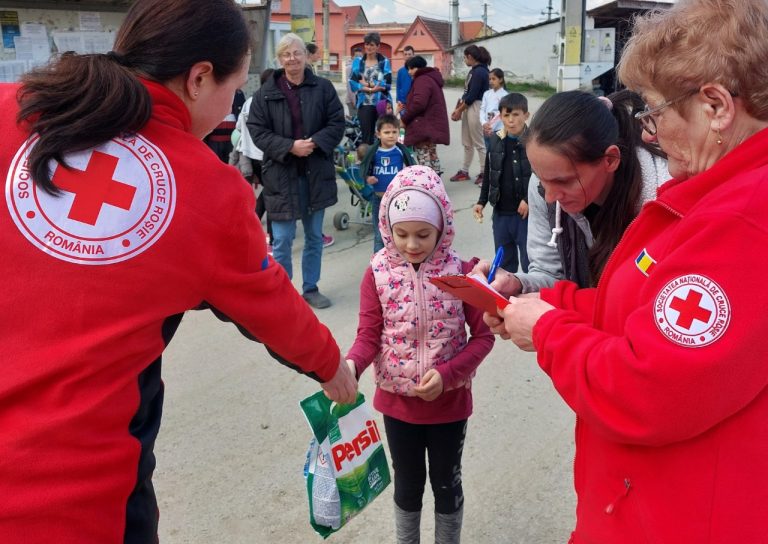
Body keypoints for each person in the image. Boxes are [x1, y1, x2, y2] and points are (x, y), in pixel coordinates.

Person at [0, 1, 357, 543]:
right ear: (198, 79)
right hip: (76, 505)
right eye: (233, 88)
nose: (233, 103)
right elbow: (271, 306)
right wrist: (333, 369)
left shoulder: (13, 106)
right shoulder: (204, 189)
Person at [486, 1, 768, 542]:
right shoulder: (716, 198)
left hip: (678, 518)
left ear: (715, 106)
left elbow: (647, 388)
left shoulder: (741, 223)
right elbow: (637, 307)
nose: (653, 132)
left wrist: (545, 331)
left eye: (657, 112)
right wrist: (547, 306)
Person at [345, 165, 494, 544]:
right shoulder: (376, 274)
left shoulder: (463, 274)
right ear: (387, 228)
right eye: (401, 234)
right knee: (407, 485)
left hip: (450, 404)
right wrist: (350, 366)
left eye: (423, 234)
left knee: (447, 483)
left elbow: (482, 337)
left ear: (443, 226)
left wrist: (448, 374)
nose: (412, 244)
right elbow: (368, 335)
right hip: (399, 406)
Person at [474, 89, 669, 295]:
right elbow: (551, 273)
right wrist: (516, 284)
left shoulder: (665, 203)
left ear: (610, 159)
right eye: (541, 178)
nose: (549, 197)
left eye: (563, 181)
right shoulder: (541, 187)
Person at [248, 33, 345, 309]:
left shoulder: (323, 88)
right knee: (282, 239)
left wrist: (314, 143)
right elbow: (257, 131)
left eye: (297, 53)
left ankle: (311, 288)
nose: (292, 59)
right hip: (281, 175)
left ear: (306, 56)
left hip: (316, 173)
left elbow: (337, 122)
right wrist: (290, 146)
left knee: (314, 237)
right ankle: (282, 292)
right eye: (286, 54)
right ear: (280, 59)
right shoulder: (266, 92)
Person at [472, 93, 532, 274]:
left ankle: (533, 298)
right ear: (501, 117)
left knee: (530, 261)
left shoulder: (534, 141)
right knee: (505, 264)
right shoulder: (495, 140)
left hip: (525, 216)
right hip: (500, 213)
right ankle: (508, 299)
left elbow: (542, 177)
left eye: (516, 115)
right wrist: (481, 201)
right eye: (506, 115)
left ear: (526, 115)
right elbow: (489, 174)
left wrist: (527, 199)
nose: (511, 120)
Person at [230, 69, 273, 252]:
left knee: (263, 196)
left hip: (249, 155)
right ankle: (270, 238)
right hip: (265, 155)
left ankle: (252, 228)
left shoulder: (248, 102)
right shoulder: (268, 103)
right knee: (272, 198)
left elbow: (238, 129)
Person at [359, 114, 416, 252]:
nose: (391, 135)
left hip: (398, 200)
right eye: (386, 132)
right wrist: (368, 178)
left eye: (394, 132)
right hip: (378, 199)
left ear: (398, 132)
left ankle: (397, 260)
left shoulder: (401, 151)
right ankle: (378, 265)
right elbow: (365, 168)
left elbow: (412, 169)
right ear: (378, 134)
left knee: (398, 231)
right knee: (379, 234)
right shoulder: (373, 152)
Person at [400, 55, 450, 176]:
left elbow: (419, 103)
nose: (409, 72)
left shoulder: (421, 80)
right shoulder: (430, 78)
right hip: (430, 125)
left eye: (411, 68)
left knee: (424, 156)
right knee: (432, 154)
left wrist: (404, 119)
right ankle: (436, 182)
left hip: (423, 125)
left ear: (418, 68)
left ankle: (427, 183)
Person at [449, 45, 490, 184]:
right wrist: (459, 108)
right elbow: (467, 94)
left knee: (479, 142)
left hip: (476, 106)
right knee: (467, 142)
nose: (464, 60)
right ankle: (465, 171)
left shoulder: (480, 72)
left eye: (465, 57)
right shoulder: (474, 71)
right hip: (468, 106)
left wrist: (460, 110)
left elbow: (472, 96)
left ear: (470, 57)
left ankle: (485, 172)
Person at [350, 32, 392, 145]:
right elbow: (353, 82)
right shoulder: (358, 62)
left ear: (378, 46)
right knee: (366, 137)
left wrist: (367, 85)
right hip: (364, 104)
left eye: (372, 45)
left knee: (384, 135)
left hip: (382, 103)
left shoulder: (384, 61)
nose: (369, 47)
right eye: (367, 44)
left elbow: (387, 83)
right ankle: (368, 161)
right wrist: (373, 87)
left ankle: (383, 160)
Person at [203, 87, 245, 162]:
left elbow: (242, 114)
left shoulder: (238, 93)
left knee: (232, 165)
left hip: (233, 141)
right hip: (213, 141)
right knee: (214, 165)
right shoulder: (209, 91)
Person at [479, 68, 508, 154]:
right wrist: (484, 123)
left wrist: (491, 126)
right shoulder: (486, 94)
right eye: (490, 79)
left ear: (501, 79)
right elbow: (482, 110)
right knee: (489, 152)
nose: (491, 81)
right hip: (487, 128)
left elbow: (502, 114)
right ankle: (490, 167)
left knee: (499, 152)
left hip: (500, 129)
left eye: (494, 79)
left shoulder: (505, 95)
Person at [396, 45, 415, 114]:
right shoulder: (400, 71)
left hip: (414, 102)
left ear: (413, 55)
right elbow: (398, 86)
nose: (407, 56)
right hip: (403, 103)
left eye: (409, 54)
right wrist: (398, 100)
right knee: (404, 123)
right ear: (403, 56)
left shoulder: (417, 70)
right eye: (405, 54)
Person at [346, 46, 363, 118]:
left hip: (360, 99)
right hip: (353, 100)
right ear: (352, 57)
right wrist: (353, 101)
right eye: (356, 56)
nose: (358, 58)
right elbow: (349, 85)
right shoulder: (350, 68)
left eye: (360, 56)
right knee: (354, 122)